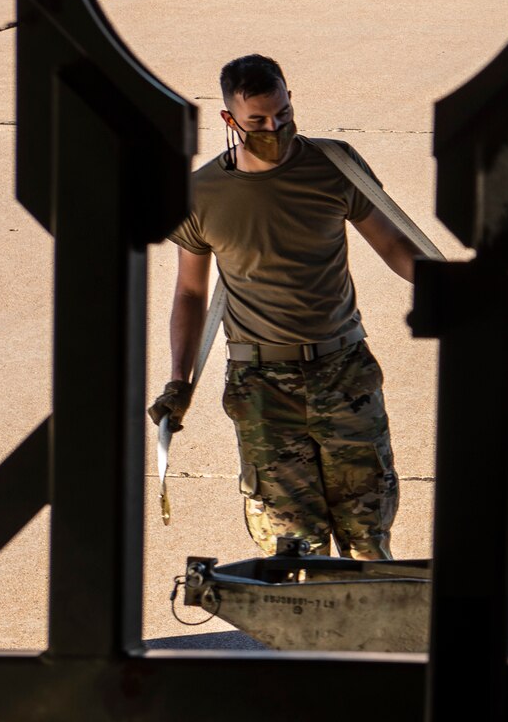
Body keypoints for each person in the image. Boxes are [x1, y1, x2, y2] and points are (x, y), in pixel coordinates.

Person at [146, 54, 422, 560]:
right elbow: (189, 292)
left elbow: (394, 246)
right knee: (293, 549)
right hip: (263, 390)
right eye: (258, 121)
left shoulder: (335, 164)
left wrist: (456, 286)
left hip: (344, 373)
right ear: (230, 120)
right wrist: (178, 382)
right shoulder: (199, 195)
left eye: (283, 114)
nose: (274, 127)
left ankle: (373, 637)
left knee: (368, 537)